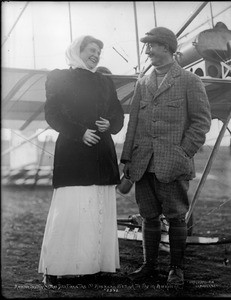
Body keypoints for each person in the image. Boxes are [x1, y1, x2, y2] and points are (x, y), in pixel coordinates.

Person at [120, 27, 212, 285]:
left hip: (173, 164)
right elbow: (134, 124)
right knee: (148, 215)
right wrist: (127, 158)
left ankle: (176, 269)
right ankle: (148, 266)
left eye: (152, 45)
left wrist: (182, 152)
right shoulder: (142, 83)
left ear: (167, 48)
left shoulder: (190, 81)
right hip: (142, 163)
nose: (147, 50)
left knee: (175, 216)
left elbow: (201, 123)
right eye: (147, 46)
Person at [38, 35, 124, 285]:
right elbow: (52, 113)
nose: (96, 54)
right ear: (78, 50)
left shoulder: (104, 82)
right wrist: (79, 132)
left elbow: (117, 115)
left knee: (98, 212)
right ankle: (57, 271)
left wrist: (110, 123)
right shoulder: (59, 77)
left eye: (99, 51)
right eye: (91, 49)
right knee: (71, 212)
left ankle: (95, 268)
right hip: (74, 154)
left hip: (102, 154)